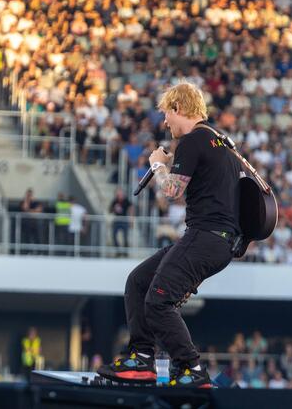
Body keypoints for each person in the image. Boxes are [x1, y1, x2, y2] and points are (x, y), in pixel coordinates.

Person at [98, 82, 241, 388]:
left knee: (158, 302)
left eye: (166, 114)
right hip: (219, 241)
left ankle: (191, 368)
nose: (164, 122)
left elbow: (171, 192)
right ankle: (141, 358)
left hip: (205, 235)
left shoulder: (192, 140)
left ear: (178, 108)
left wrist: (157, 166)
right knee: (139, 281)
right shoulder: (222, 142)